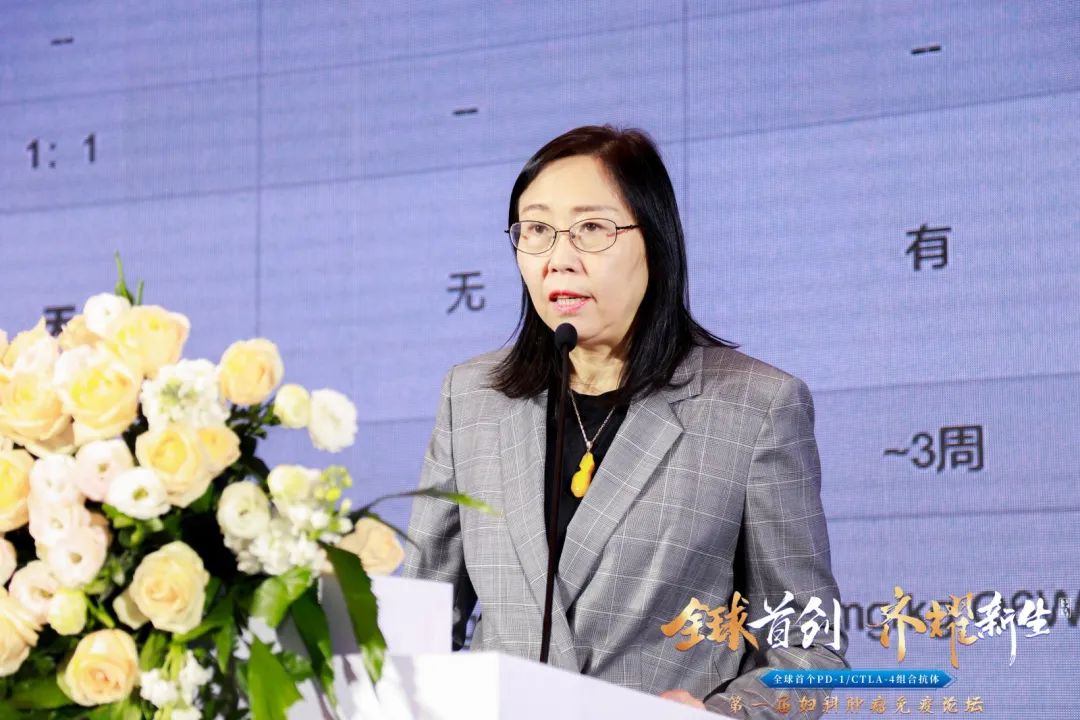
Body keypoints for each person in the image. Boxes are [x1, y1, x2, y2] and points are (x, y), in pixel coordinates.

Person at [402, 125, 847, 716]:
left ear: (655, 242)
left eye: (592, 229)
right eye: (536, 230)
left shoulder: (756, 406)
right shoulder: (473, 398)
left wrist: (721, 715)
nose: (559, 259)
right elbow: (419, 622)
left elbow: (811, 652)